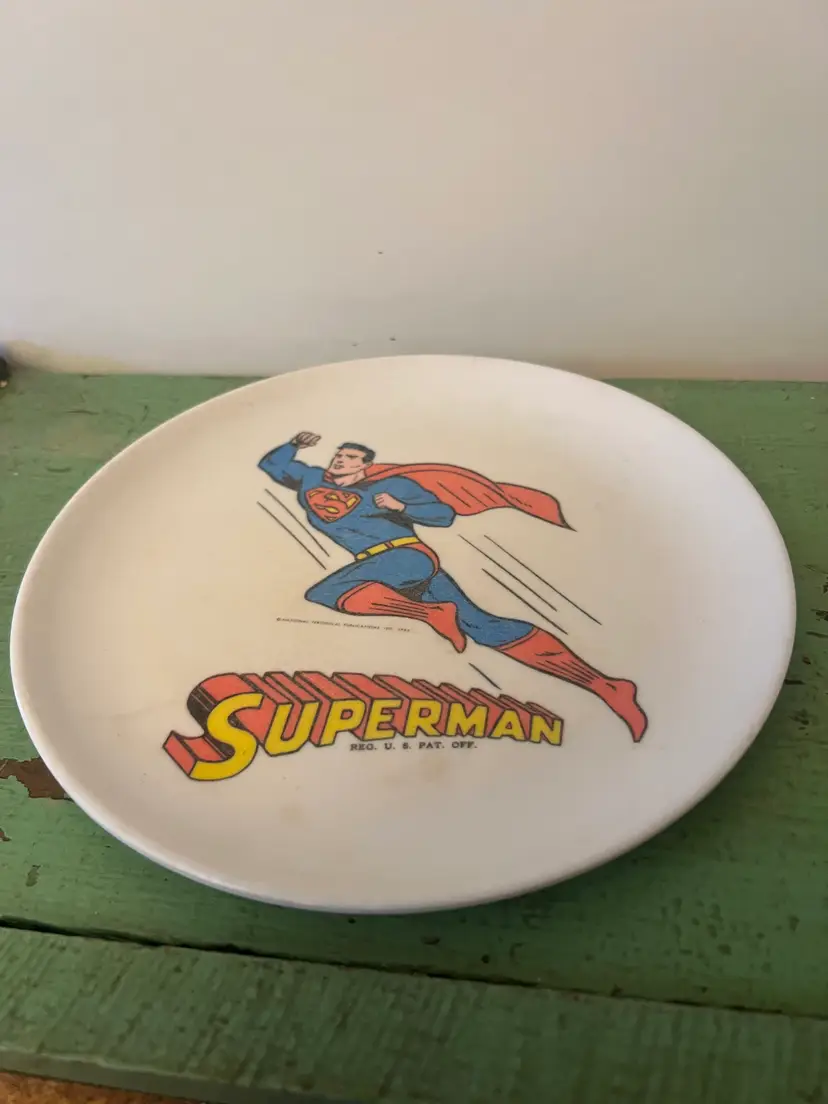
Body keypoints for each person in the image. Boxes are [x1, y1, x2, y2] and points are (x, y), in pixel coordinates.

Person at [259, 433, 647, 741]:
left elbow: (442, 515)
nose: (340, 460)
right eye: (339, 455)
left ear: (366, 465)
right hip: (382, 570)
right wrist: (293, 445)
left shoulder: (394, 486)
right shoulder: (310, 480)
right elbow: (271, 465)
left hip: (407, 557)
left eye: (350, 457)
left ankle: (430, 613)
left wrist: (401, 508)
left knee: (326, 592)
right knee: (483, 626)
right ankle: (607, 686)